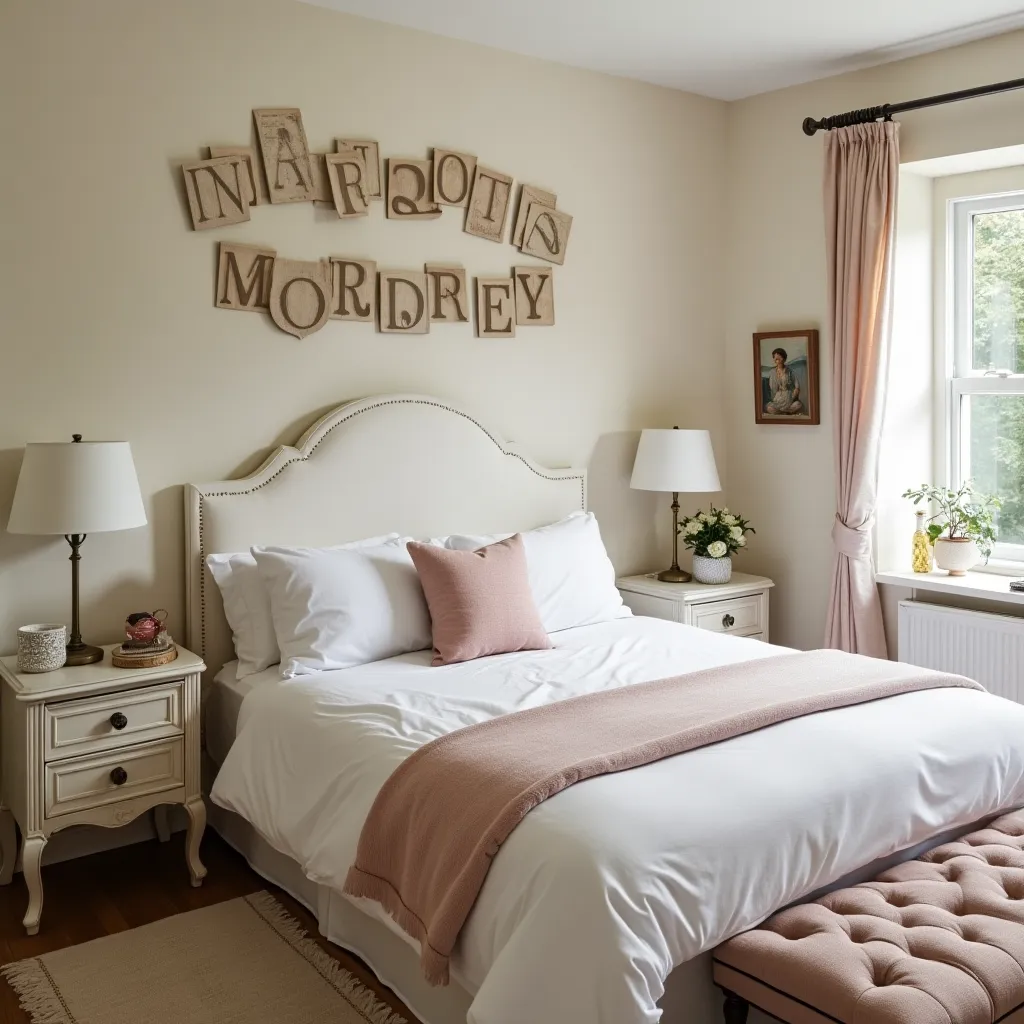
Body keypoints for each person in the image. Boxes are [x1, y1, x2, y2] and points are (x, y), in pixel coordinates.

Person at [764, 347, 803, 415]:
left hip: (789, 397)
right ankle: (784, 412)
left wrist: (793, 396)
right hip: (778, 398)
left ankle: (784, 411)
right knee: (769, 407)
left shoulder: (790, 371)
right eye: (775, 359)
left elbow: (797, 386)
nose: (777, 361)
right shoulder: (772, 372)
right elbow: (773, 389)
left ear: (784, 359)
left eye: (779, 358)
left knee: (798, 404)